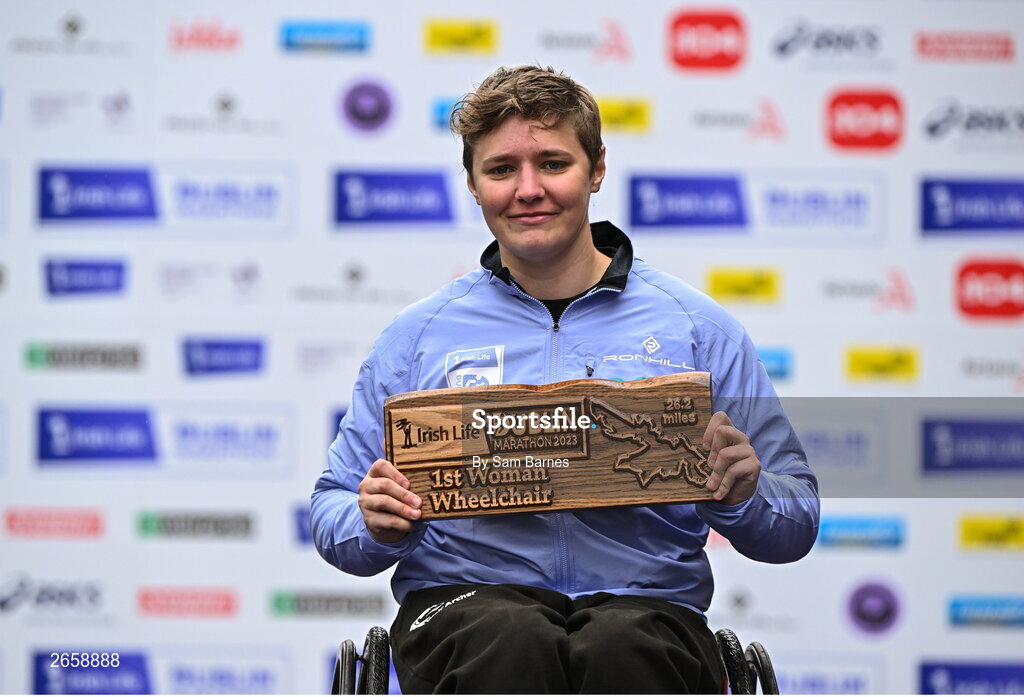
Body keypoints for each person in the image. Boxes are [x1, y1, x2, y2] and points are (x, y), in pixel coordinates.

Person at [312, 65, 819, 694]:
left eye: (553, 163)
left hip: (649, 614)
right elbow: (331, 508)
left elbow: (796, 516)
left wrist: (745, 495)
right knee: (512, 636)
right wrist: (374, 522)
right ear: (472, 184)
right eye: (501, 170)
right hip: (461, 610)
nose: (528, 190)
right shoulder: (417, 337)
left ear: (597, 168)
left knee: (619, 644)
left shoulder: (696, 328)